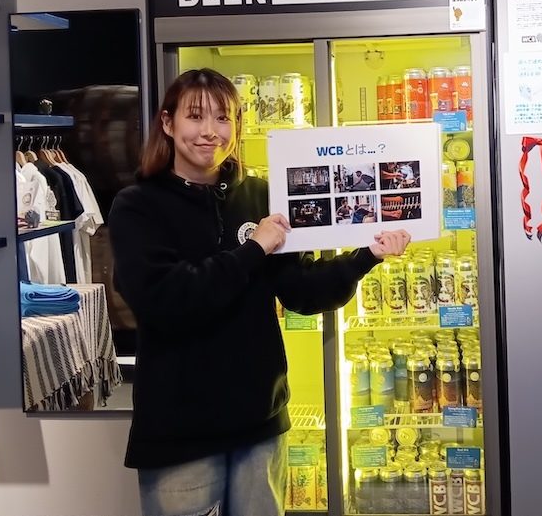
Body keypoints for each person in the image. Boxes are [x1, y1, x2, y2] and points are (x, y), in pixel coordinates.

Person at [109, 68, 410, 516]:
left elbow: (301, 292)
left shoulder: (260, 195)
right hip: (179, 430)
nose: (210, 131)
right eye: (195, 116)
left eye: (223, 118)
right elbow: (169, 301)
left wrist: (366, 256)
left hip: (259, 422)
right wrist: (254, 249)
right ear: (168, 123)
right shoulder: (138, 205)